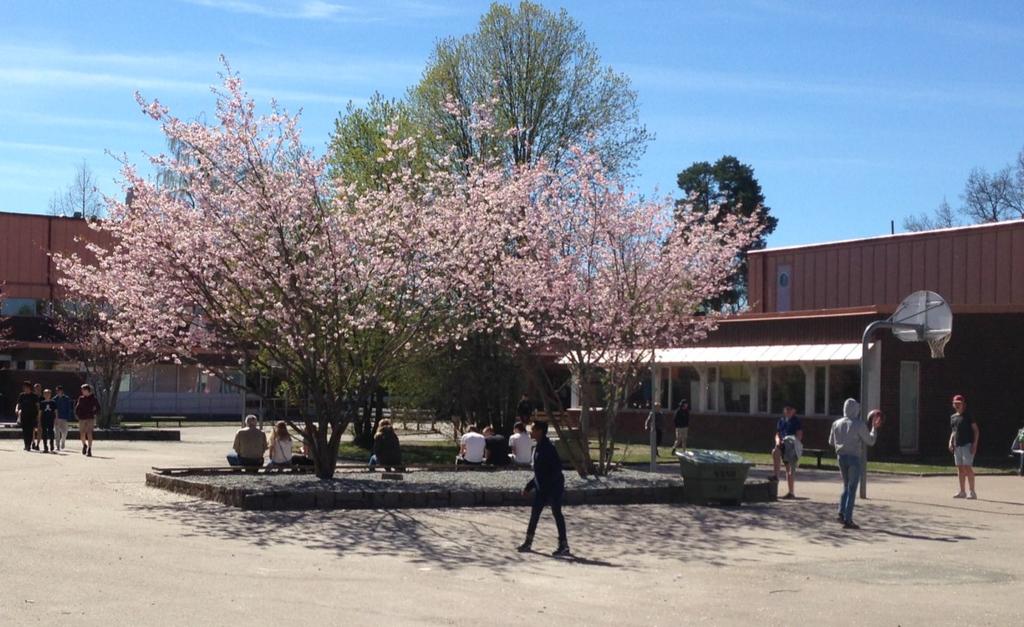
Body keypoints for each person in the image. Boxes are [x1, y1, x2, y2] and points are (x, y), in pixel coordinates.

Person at [517, 421, 570, 556]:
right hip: (542, 488)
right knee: (534, 514)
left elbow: (557, 470)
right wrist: (529, 487)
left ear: (540, 431)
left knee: (557, 514)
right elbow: (539, 472)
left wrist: (548, 487)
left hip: (554, 488)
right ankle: (528, 543)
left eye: (533, 429)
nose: (531, 431)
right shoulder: (538, 446)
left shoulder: (548, 448)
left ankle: (564, 545)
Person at [828, 399, 883, 529]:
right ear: (856, 409)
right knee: (852, 488)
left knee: (846, 486)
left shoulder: (836, 423)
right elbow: (870, 441)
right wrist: (874, 428)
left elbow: (831, 441)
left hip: (841, 457)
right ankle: (848, 519)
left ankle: (841, 513)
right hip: (854, 458)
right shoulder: (859, 424)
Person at [948, 394, 980, 499]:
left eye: (959, 403)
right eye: (955, 403)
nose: (957, 405)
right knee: (960, 468)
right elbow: (954, 431)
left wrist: (974, 444)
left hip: (967, 444)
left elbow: (976, 430)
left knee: (967, 467)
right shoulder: (953, 417)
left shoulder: (968, 416)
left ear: (963, 404)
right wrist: (950, 441)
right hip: (957, 446)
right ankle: (962, 491)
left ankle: (972, 492)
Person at [772, 403, 803, 499]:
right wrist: (777, 441)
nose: (788, 411)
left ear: (794, 411)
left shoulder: (796, 421)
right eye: (786, 409)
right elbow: (777, 434)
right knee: (775, 451)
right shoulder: (781, 420)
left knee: (789, 469)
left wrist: (792, 443)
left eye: (790, 409)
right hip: (782, 444)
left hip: (791, 445)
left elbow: (799, 435)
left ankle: (791, 492)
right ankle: (776, 476)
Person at [75, 384, 101, 457]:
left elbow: (98, 408)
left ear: (87, 390)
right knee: (82, 433)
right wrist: (77, 414)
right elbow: (77, 407)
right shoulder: (81, 398)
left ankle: (89, 448)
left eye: (83, 390)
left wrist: (93, 413)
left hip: (90, 418)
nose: (82, 391)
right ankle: (84, 445)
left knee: (89, 433)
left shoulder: (94, 399)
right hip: (82, 418)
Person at [15, 381, 39, 452]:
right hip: (24, 415)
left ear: (29, 388)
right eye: (24, 387)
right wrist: (16, 409)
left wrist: (38, 415)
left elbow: (37, 406)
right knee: (25, 431)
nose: (25, 388)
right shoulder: (21, 395)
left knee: (31, 430)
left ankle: (28, 445)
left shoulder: (34, 396)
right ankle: (26, 445)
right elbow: (18, 404)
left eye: (26, 387)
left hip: (32, 416)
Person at [53, 385, 73, 451]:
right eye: (57, 391)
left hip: (64, 417)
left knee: (64, 432)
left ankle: (63, 441)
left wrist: (68, 417)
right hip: (56, 418)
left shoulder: (66, 398)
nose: (58, 392)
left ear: (62, 391)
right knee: (57, 432)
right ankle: (57, 446)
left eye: (59, 390)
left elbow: (68, 408)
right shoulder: (54, 399)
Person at [39, 388, 57, 453]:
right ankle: (45, 446)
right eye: (45, 393)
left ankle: (51, 446)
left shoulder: (53, 402)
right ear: (43, 395)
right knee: (44, 433)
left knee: (51, 432)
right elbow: (40, 412)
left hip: (51, 419)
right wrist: (39, 420)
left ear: (50, 394)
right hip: (44, 419)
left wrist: (56, 419)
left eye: (48, 393)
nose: (47, 395)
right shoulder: (42, 403)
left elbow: (55, 411)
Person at [32, 383, 44, 450]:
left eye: (39, 388)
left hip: (41, 416)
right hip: (33, 415)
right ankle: (33, 442)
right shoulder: (32, 397)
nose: (37, 390)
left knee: (40, 430)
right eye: (36, 388)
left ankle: (38, 444)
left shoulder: (43, 398)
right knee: (32, 429)